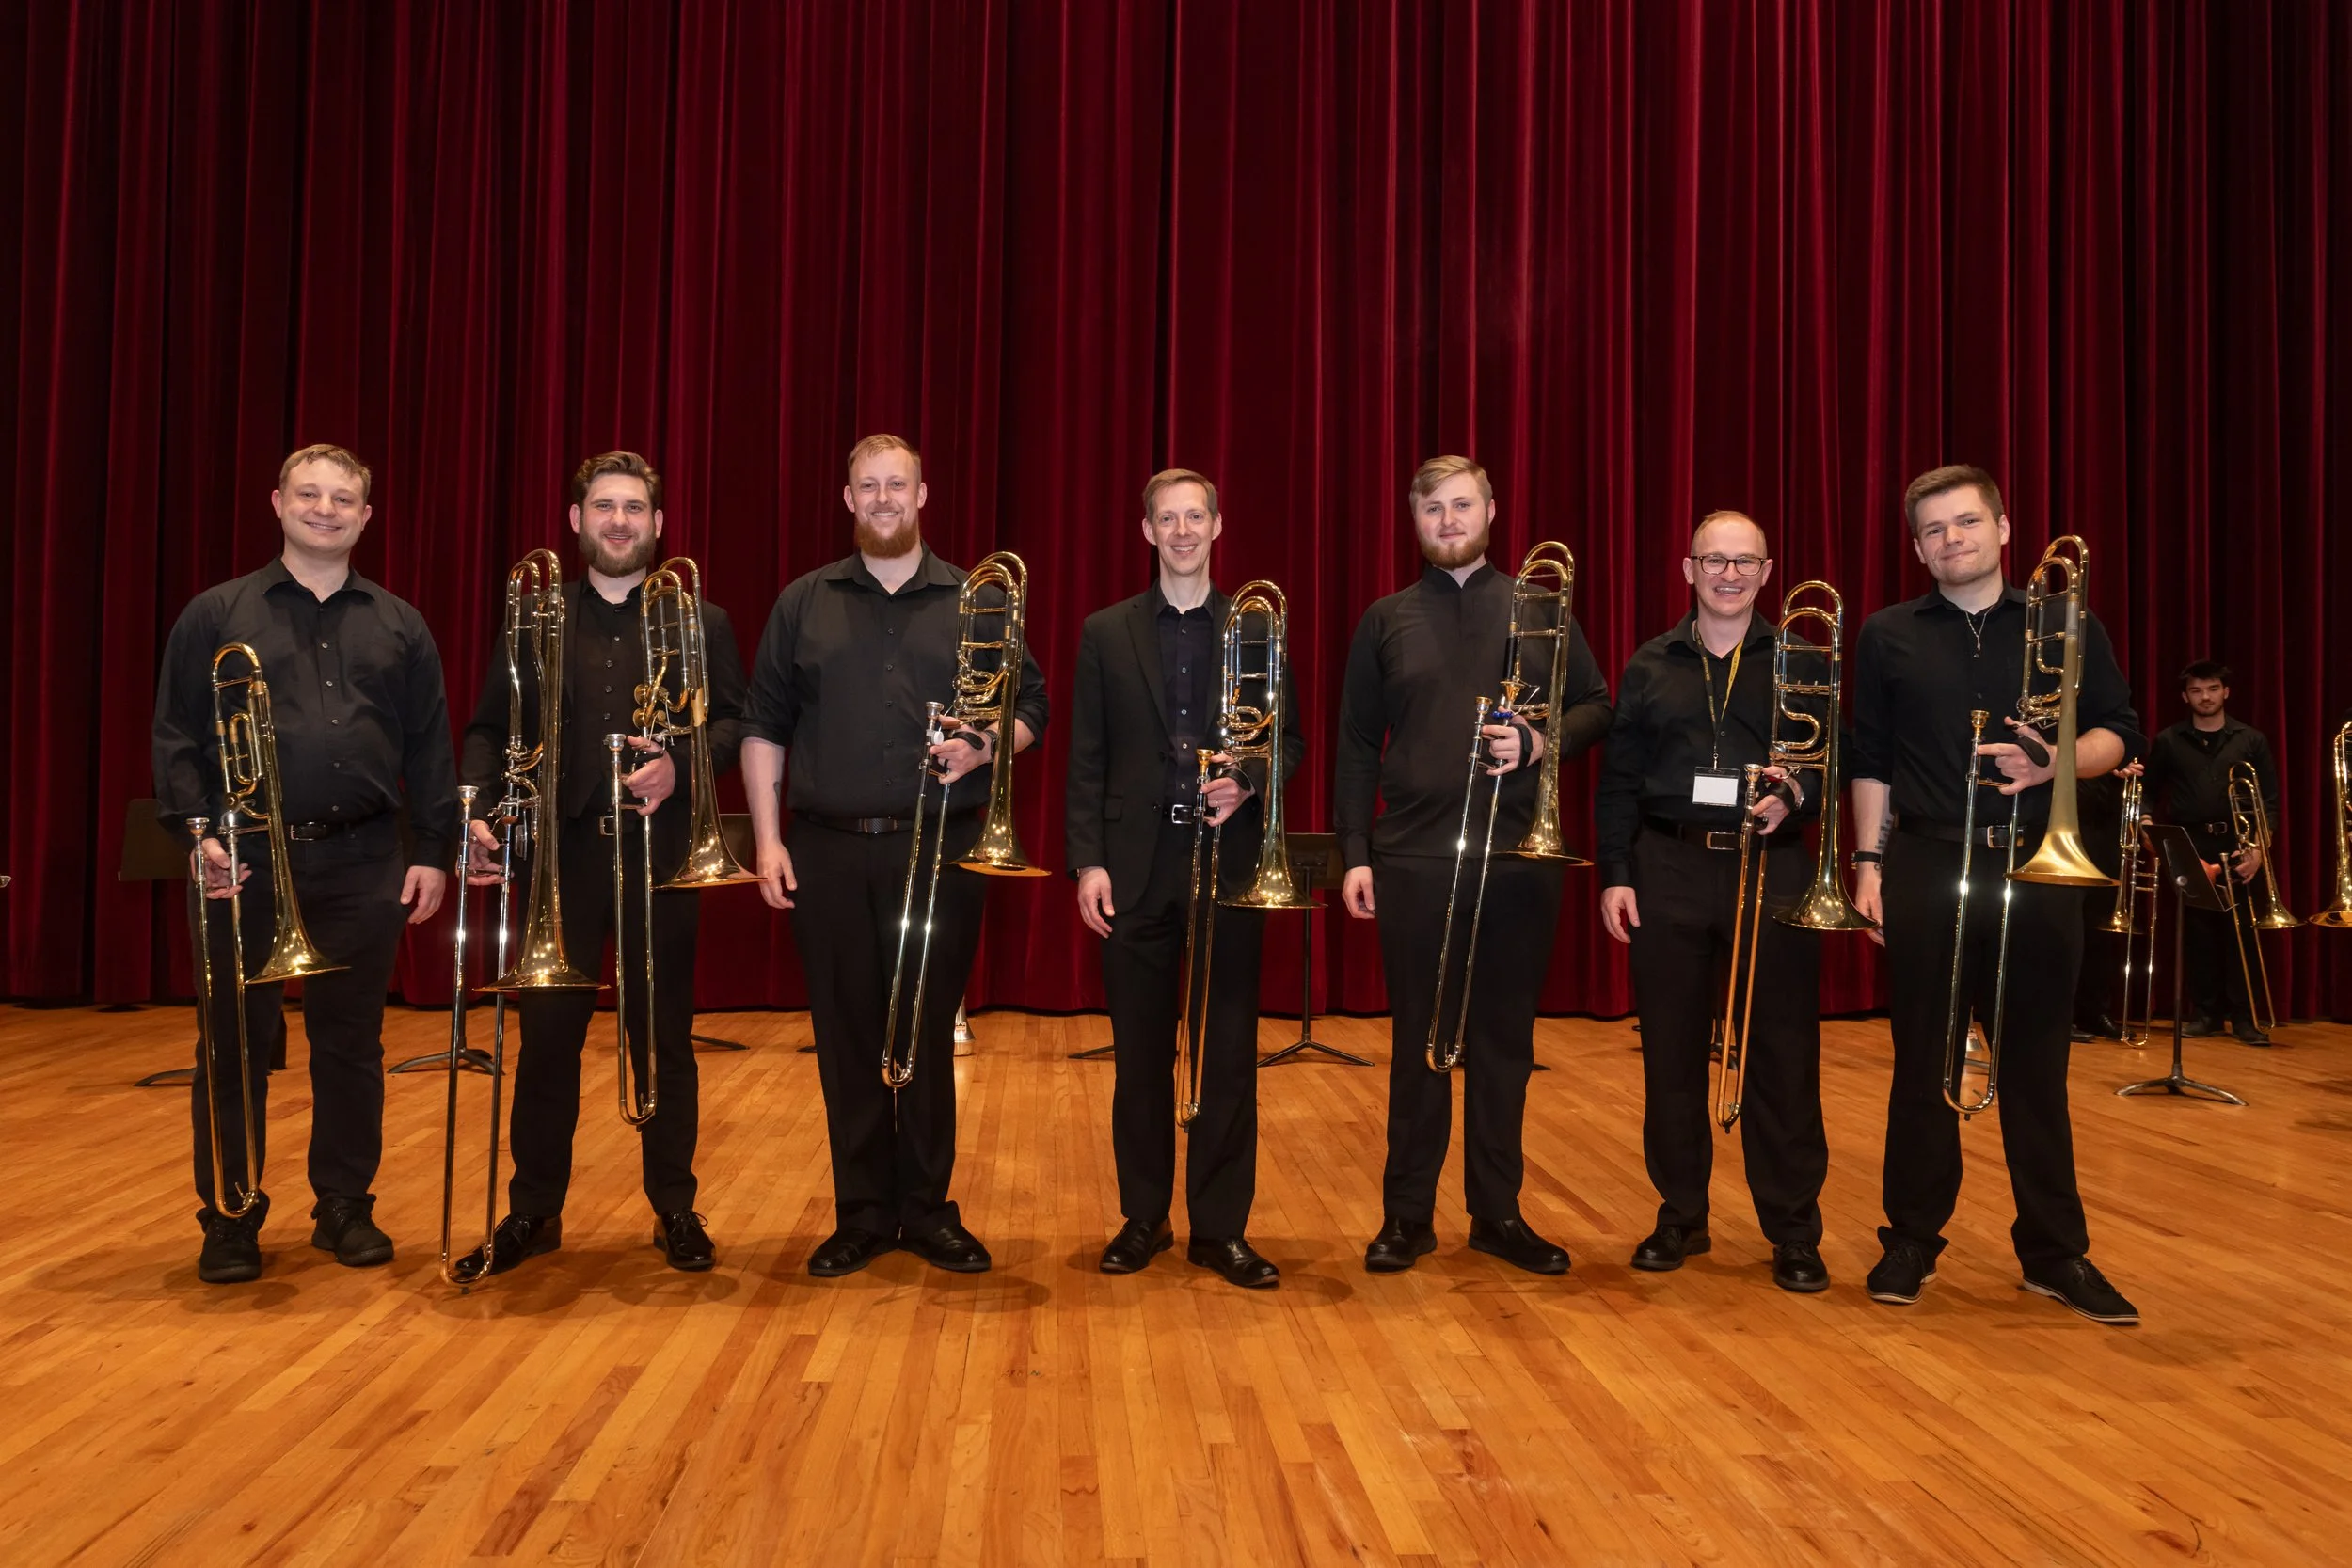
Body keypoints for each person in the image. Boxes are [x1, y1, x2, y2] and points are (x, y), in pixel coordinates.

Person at [739, 435, 1048, 1277]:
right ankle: (864, 1214)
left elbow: (1034, 704)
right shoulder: (803, 601)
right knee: (845, 1037)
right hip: (828, 848)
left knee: (928, 1028)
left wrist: (987, 745)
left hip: (942, 845)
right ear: (848, 499)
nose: (883, 498)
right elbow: (763, 724)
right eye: (868, 486)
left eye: (897, 485)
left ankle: (928, 1210)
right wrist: (766, 839)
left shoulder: (978, 597)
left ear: (922, 494)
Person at [152, 443, 456, 1284]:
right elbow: (176, 735)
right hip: (243, 859)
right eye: (309, 494)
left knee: (351, 1043)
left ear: (367, 514)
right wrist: (197, 835)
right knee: (233, 1044)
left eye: (343, 498)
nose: (326, 509)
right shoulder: (216, 614)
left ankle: (344, 1205)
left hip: (364, 855)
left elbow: (429, 745)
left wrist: (433, 850)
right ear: (278, 503)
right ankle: (231, 1212)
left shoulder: (400, 623)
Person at [1848, 463, 2143, 1324]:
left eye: (1967, 521)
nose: (1953, 539)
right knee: (1921, 1063)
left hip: (2037, 867)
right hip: (1927, 862)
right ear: (1917, 548)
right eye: (1934, 530)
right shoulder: (1886, 633)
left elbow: (2119, 732)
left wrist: (2057, 762)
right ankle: (1911, 1237)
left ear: (2004, 528)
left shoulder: (2066, 621)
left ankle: (2055, 1252)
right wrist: (1866, 862)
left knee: (2036, 1069)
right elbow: (1871, 758)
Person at [454, 451, 745, 1277]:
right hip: (564, 854)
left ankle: (675, 1206)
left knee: (665, 1040)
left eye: (635, 508)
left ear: (658, 524)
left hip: (662, 853)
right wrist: (475, 807)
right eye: (605, 507)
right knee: (547, 1041)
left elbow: (736, 723)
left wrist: (680, 765)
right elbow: (489, 727)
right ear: (577, 520)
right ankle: (533, 1211)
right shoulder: (534, 618)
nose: (620, 521)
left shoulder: (703, 620)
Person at [1334, 455, 1613, 1275]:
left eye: (1462, 504)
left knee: (1503, 1046)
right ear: (1415, 519)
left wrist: (1539, 742)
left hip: (1518, 857)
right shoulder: (1384, 619)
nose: (1448, 519)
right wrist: (1354, 853)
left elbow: (1597, 704)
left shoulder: (1542, 607)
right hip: (1413, 858)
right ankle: (1406, 1217)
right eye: (1433, 508)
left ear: (1491, 510)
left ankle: (1497, 1213)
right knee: (1417, 1042)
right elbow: (1356, 743)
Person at [1065, 468, 1303, 1289]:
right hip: (1136, 867)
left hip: (1227, 863)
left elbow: (1288, 741)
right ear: (1147, 531)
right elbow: (1086, 757)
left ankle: (1220, 1228)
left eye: (1194, 516)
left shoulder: (1257, 627)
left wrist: (1250, 781)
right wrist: (1089, 860)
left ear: (1217, 524)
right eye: (1167, 519)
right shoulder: (1105, 631)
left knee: (1228, 1053)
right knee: (1140, 1056)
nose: (1182, 531)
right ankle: (1144, 1217)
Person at [1595, 510, 1830, 1292]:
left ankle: (1793, 1230)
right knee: (1670, 1053)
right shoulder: (1650, 662)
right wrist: (1616, 872)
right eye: (1715, 560)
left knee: (1783, 1056)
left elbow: (1832, 764)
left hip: (1773, 866)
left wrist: (1796, 794)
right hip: (1669, 864)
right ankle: (1681, 1214)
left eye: (1745, 562)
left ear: (1767, 573)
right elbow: (1619, 780)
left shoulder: (1802, 659)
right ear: (1688, 569)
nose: (1730, 574)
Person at [2144, 661, 2282, 1046]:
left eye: (2212, 689)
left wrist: (2259, 849)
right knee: (2198, 933)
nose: (2205, 697)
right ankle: (2206, 1014)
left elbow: (2269, 801)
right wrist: (2144, 822)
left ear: (2226, 692)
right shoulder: (2168, 740)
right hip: (2190, 843)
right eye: (2196, 690)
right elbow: (2149, 791)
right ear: (2185, 696)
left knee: (2242, 933)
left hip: (2240, 843)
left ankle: (2245, 1017)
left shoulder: (2251, 739)